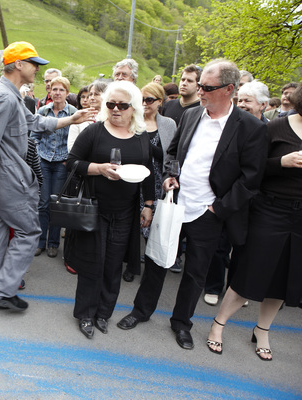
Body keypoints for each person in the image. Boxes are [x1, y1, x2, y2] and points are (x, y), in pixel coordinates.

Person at [116, 59, 268, 351]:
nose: (200, 92)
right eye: (200, 86)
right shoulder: (191, 115)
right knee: (157, 260)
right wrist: (169, 176)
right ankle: (140, 311)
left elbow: (250, 180)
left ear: (229, 89)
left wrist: (218, 209)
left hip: (208, 212)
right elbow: (173, 152)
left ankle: (181, 323)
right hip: (176, 203)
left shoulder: (249, 127)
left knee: (196, 272)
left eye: (207, 88)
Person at [0, 41, 96, 312]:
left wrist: (72, 119)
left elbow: (34, 122)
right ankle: (2, 291)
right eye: (34, 63)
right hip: (5, 177)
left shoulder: (10, 94)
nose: (37, 69)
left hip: (0, 177)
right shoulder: (5, 97)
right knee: (29, 231)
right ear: (18, 64)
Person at [206, 84, 302, 361]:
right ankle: (218, 324)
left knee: (285, 277)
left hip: (300, 218)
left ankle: (262, 330)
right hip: (270, 209)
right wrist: (281, 162)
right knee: (251, 270)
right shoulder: (275, 127)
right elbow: (252, 170)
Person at [65, 80, 154, 338]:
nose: (116, 109)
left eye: (122, 105)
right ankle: (85, 314)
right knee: (92, 263)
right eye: (111, 104)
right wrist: (98, 169)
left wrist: (148, 205)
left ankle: (103, 313)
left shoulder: (141, 136)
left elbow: (147, 172)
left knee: (114, 265)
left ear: (133, 108)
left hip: (125, 211)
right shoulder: (94, 132)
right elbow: (71, 163)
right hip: (95, 208)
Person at [122, 82, 178, 283]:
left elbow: (169, 156)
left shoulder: (168, 124)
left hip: (157, 180)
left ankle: (152, 267)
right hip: (133, 177)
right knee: (131, 222)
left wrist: (145, 141)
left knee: (151, 223)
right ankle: (132, 264)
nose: (145, 103)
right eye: (141, 99)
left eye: (149, 100)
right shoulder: (131, 120)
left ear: (160, 101)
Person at [31, 76, 77, 258]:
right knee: (42, 203)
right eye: (54, 89)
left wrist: (69, 159)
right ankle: (40, 241)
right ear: (50, 91)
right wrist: (37, 155)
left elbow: (76, 139)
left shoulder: (73, 112)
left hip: (61, 163)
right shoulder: (43, 110)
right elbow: (34, 136)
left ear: (67, 92)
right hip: (43, 160)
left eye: (61, 90)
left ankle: (53, 243)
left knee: (56, 204)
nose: (57, 93)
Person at [68, 81, 107, 152]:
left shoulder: (110, 118)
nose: (92, 98)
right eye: (90, 94)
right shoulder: (79, 117)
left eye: (96, 94)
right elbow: (71, 147)